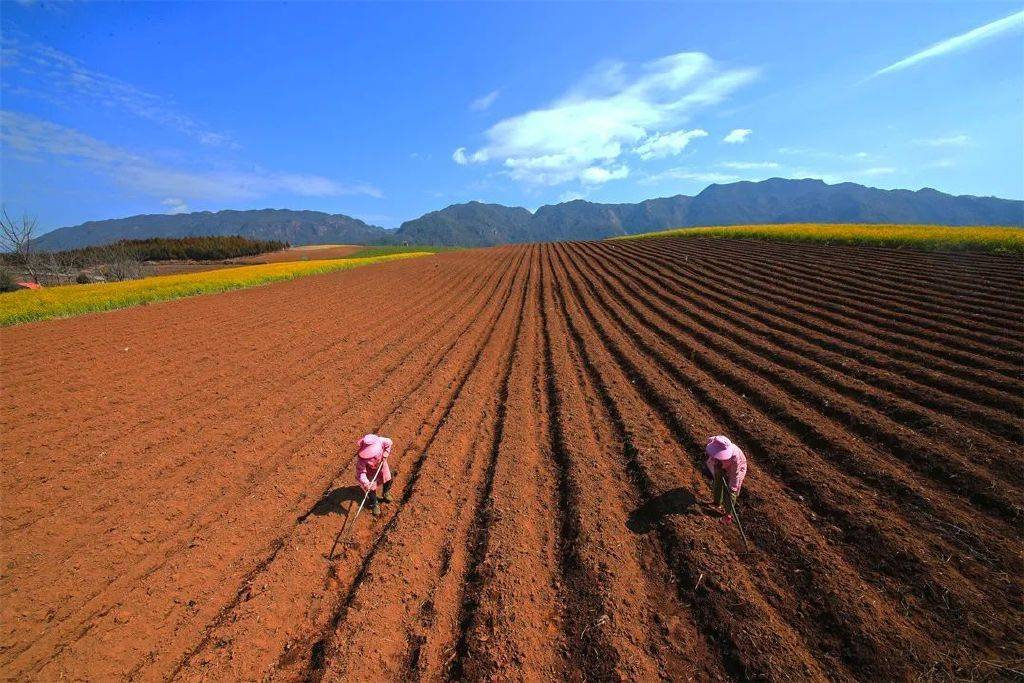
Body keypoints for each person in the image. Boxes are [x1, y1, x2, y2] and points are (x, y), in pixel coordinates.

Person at [705, 435, 747, 524]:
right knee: (718, 480)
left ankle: (728, 515)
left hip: (737, 467)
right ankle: (717, 503)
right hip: (720, 464)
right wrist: (718, 464)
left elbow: (734, 477)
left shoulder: (735, 459)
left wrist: (733, 488)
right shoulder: (714, 441)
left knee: (732, 491)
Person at [355, 433, 396, 517]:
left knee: (387, 478)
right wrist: (366, 483)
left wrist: (385, 454)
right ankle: (374, 504)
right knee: (371, 487)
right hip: (369, 471)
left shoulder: (381, 441)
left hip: (381, 464)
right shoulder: (362, 460)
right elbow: (360, 473)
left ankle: (386, 493)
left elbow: (389, 443)